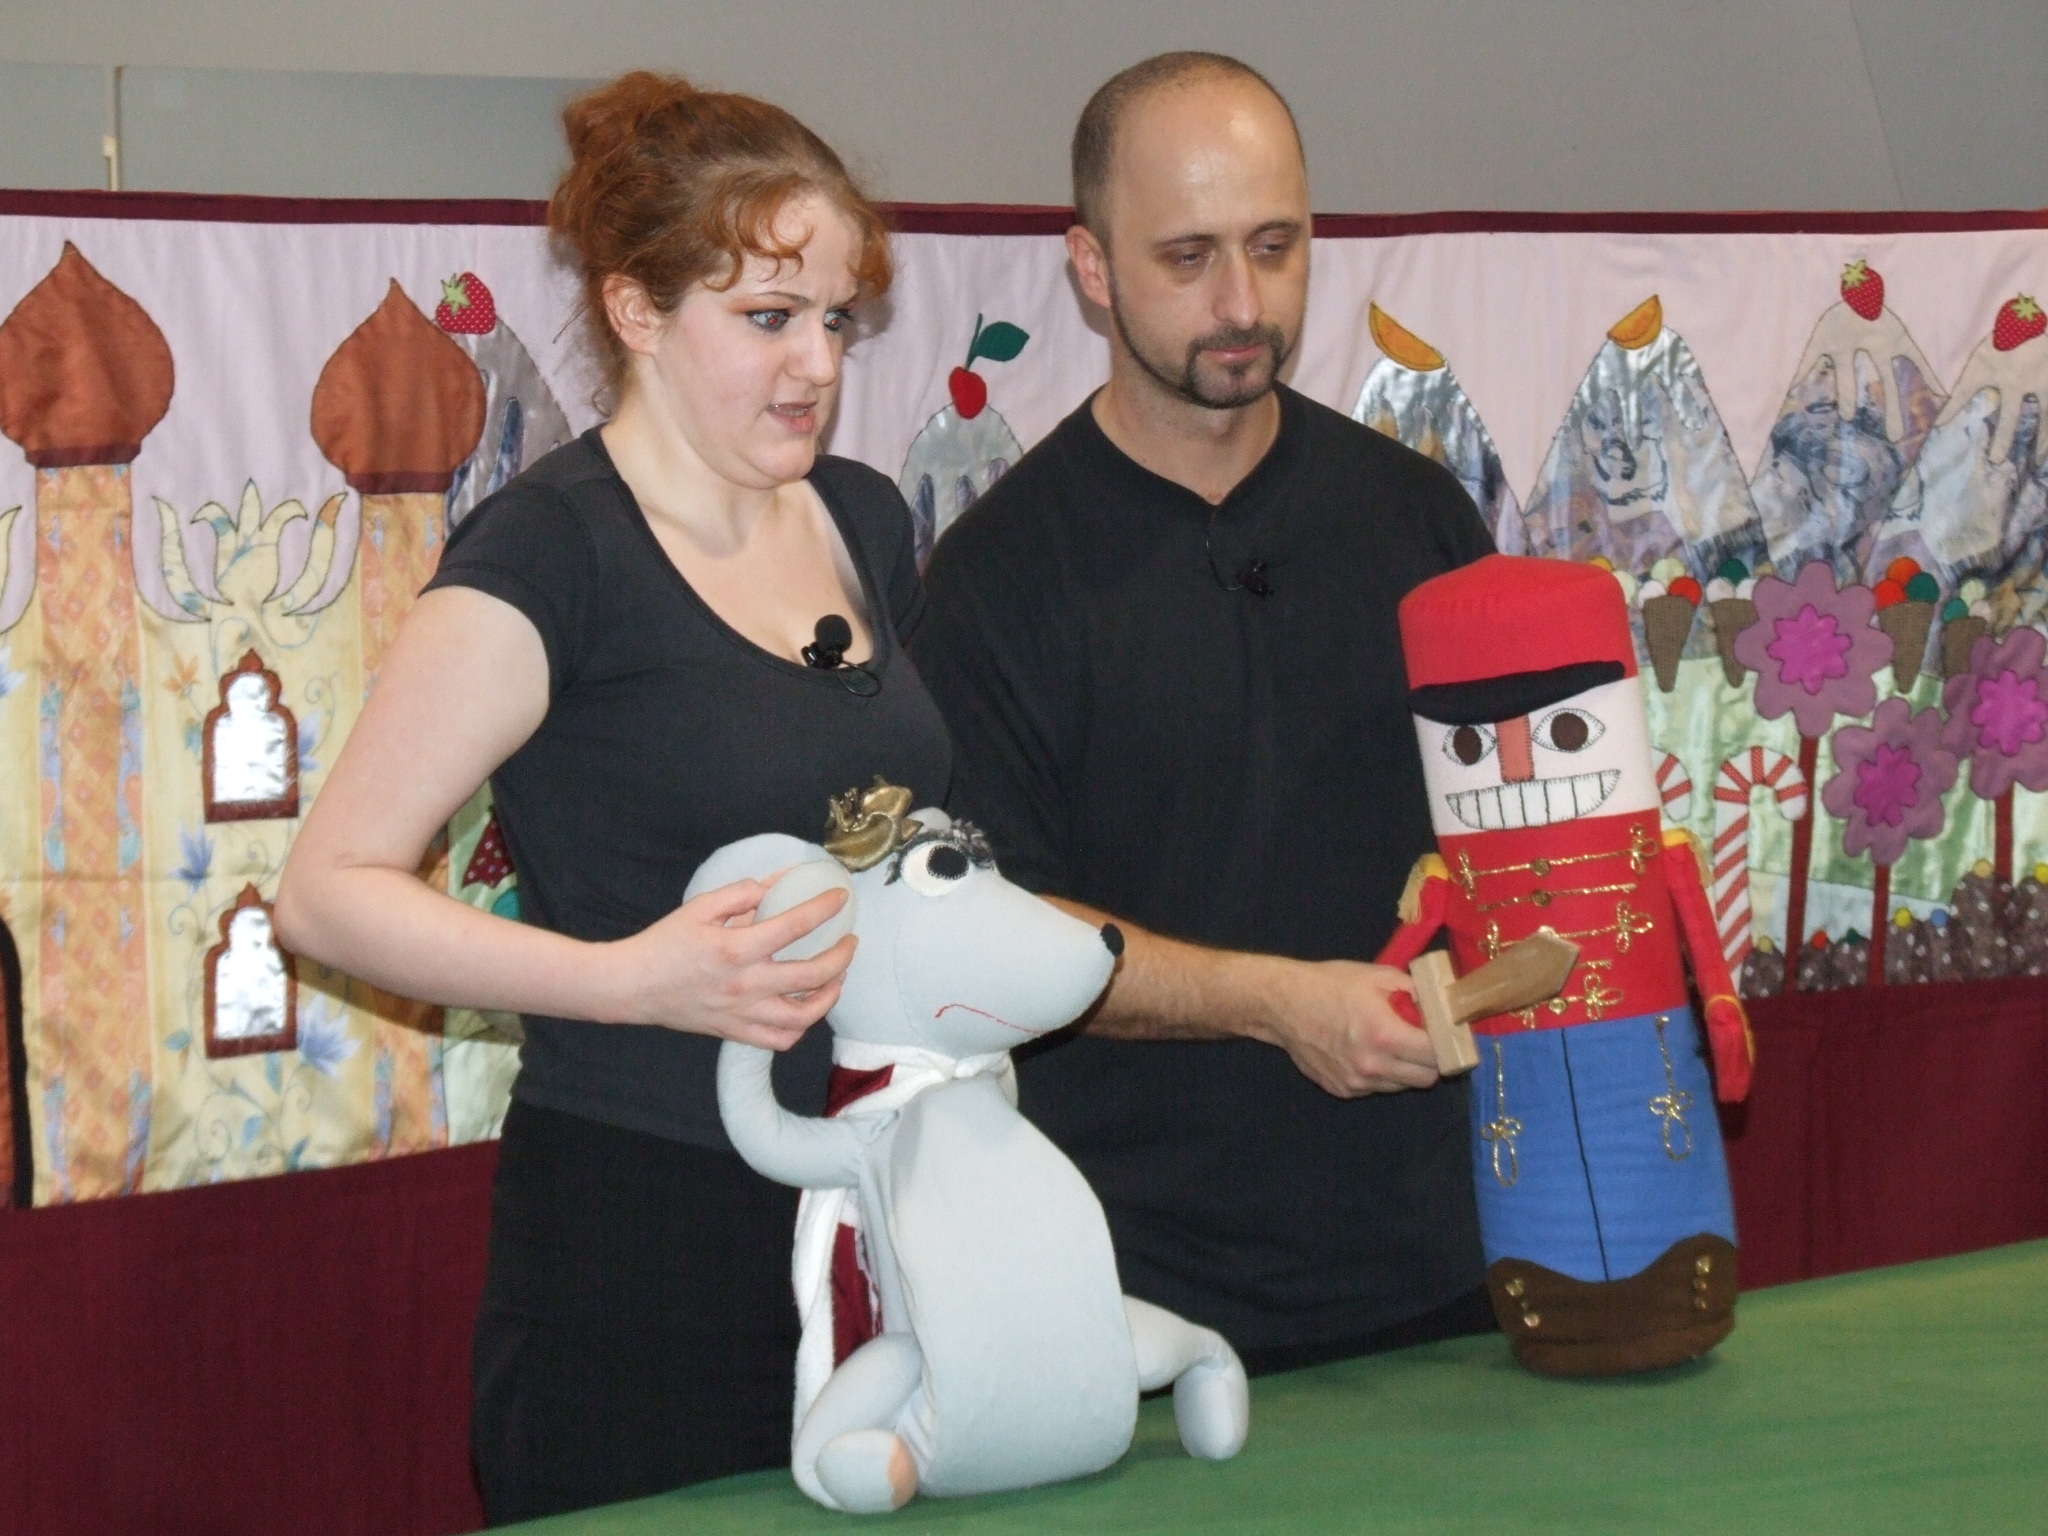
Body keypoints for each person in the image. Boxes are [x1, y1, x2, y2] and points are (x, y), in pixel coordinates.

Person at [274, 73, 952, 1522]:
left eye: (835, 321)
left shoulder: (863, 517)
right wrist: (630, 978)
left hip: (871, 1200)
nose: (815, 364)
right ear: (637, 310)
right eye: (768, 318)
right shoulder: (550, 552)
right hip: (644, 1231)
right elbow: (326, 893)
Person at [915, 52, 1496, 1374]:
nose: (1242, 303)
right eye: (1187, 257)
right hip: (1134, 1308)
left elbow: (1512, 838)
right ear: (1092, 268)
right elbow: (988, 934)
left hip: (1441, 1268)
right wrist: (1279, 1003)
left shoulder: (1418, 520)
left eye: (1274, 247)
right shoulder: (995, 579)